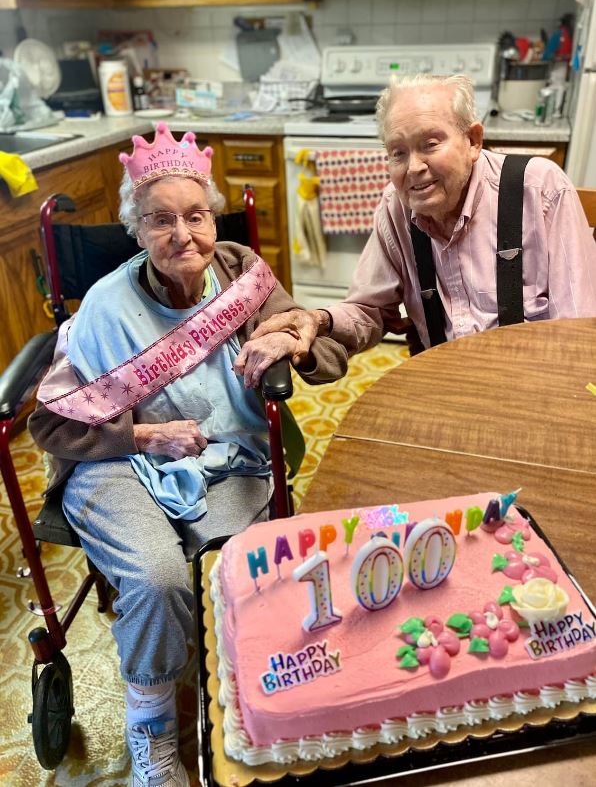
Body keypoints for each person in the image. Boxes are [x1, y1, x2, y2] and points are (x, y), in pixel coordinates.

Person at [28, 122, 347, 787]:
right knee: (157, 577)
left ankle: (247, 700)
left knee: (242, 567)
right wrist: (138, 436)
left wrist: (294, 336)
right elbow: (53, 428)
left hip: (226, 454)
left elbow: (325, 356)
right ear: (136, 230)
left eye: (196, 215)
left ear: (214, 216)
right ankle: (155, 742)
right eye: (160, 220)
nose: (184, 235)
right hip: (113, 466)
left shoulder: (238, 274)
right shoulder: (106, 309)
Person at [235, 73, 596, 369]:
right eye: (398, 152)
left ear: (472, 140)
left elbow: (579, 332)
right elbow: (368, 310)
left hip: (533, 382)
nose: (414, 168)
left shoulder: (539, 188)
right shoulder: (396, 208)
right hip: (441, 383)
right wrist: (317, 319)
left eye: (430, 143)